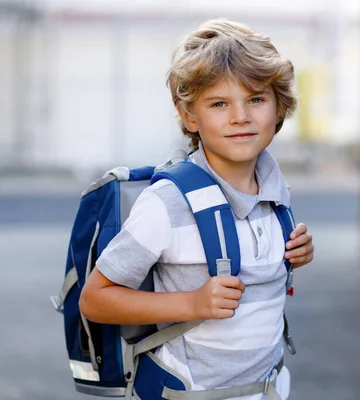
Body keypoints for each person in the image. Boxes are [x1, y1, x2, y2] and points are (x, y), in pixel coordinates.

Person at [79, 18, 314, 400]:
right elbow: (95, 298)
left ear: (279, 106)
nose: (240, 116)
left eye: (256, 98)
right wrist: (190, 302)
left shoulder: (275, 189)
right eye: (219, 104)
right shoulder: (167, 204)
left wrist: (294, 254)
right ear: (189, 116)